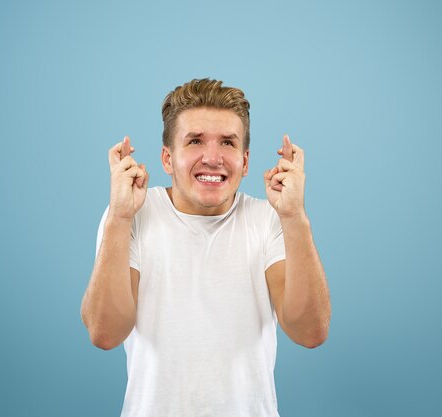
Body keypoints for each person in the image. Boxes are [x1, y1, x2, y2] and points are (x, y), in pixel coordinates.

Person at [80, 78, 331, 417]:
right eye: (195, 140)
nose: (213, 158)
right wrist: (119, 219)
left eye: (227, 143)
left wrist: (295, 216)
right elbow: (105, 333)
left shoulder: (269, 219)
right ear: (168, 159)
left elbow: (310, 332)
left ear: (244, 161)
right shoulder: (132, 215)